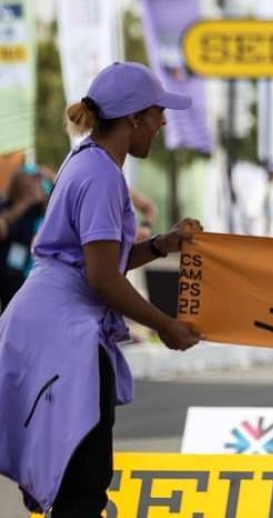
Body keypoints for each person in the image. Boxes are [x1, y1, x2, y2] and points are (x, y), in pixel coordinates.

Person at [0, 61, 204, 516]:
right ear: (134, 118)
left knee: (76, 481)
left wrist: (159, 245)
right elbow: (102, 278)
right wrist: (165, 324)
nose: (162, 123)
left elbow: (99, 260)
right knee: (82, 486)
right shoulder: (101, 176)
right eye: (157, 113)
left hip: (50, 324)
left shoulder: (87, 160)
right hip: (62, 335)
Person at [0, 165, 51, 311]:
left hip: (29, 277)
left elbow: (58, 200)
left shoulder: (38, 210)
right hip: (7, 276)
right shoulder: (6, 206)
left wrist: (46, 176)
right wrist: (24, 205)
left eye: (34, 182)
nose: (31, 187)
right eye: (27, 183)